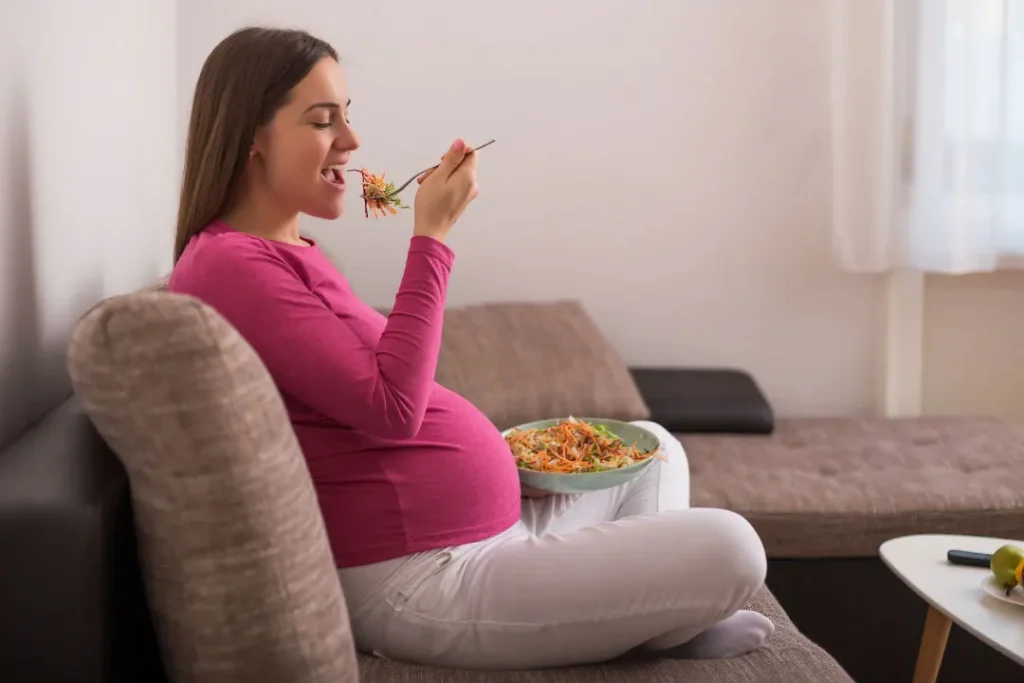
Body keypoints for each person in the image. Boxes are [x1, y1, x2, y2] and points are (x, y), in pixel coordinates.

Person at [169, 26, 773, 670]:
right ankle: (661, 622)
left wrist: (504, 475)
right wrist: (432, 237)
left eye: (349, 116)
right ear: (252, 138)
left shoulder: (289, 254)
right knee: (733, 547)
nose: (351, 141)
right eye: (323, 121)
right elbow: (393, 407)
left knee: (652, 448)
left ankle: (657, 620)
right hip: (419, 578)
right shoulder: (232, 266)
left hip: (483, 535)